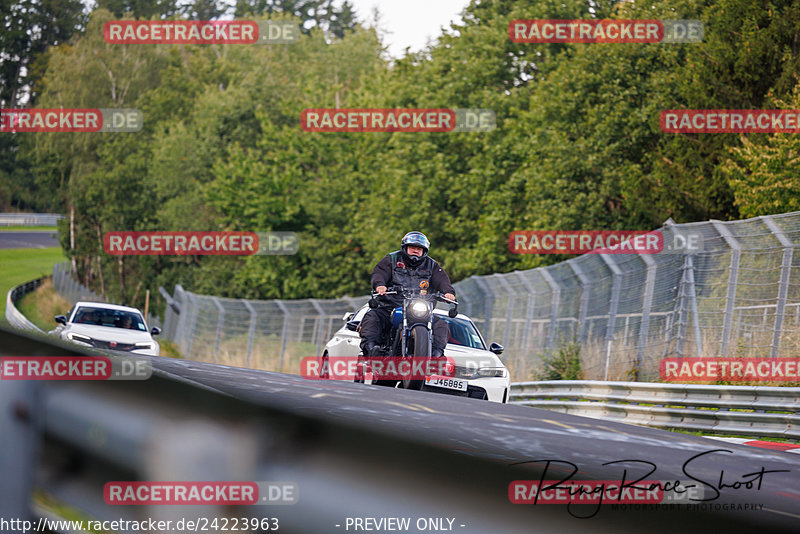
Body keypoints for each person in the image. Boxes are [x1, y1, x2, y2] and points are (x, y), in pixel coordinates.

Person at [359, 231, 456, 358]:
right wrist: (380, 285)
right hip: (391, 306)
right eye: (412, 248)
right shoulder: (392, 260)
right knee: (373, 317)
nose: (416, 251)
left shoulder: (432, 265)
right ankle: (372, 350)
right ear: (405, 248)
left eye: (419, 249)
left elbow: (443, 280)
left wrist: (448, 293)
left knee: (441, 324)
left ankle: (436, 355)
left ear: (424, 251)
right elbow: (379, 273)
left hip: (420, 310)